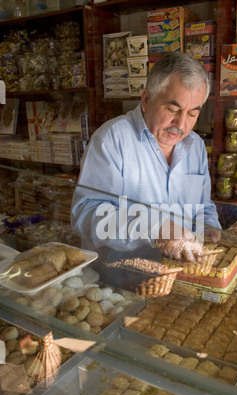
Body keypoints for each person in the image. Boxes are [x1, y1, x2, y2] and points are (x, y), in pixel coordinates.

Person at [71, 52, 222, 285]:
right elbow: (86, 215)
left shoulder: (196, 146)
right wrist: (154, 228)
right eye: (173, 110)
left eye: (193, 113)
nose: (181, 125)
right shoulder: (112, 139)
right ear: (145, 99)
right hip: (120, 282)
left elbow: (202, 205)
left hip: (177, 279)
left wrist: (209, 226)